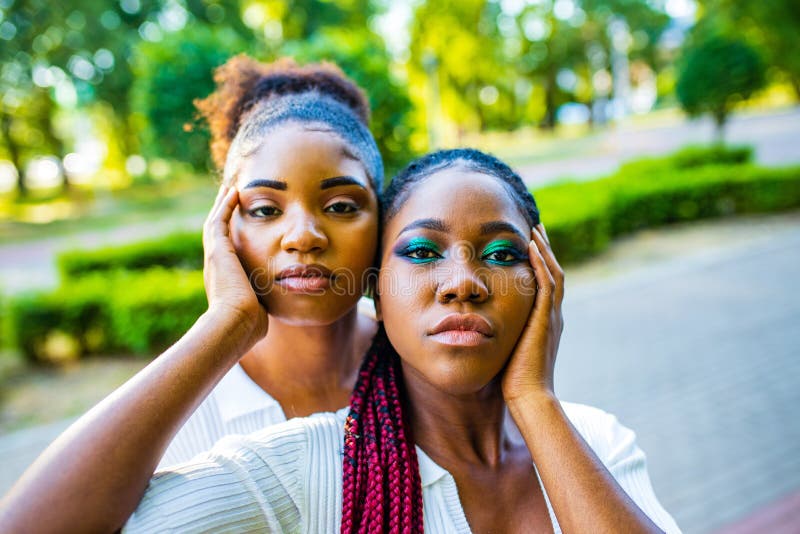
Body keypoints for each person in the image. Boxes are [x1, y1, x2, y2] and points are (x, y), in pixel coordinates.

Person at [122, 149, 680, 533]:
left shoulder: (596, 440)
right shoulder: (311, 464)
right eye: (421, 252)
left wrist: (535, 400)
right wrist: (226, 323)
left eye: (502, 254)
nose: (463, 281)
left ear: (544, 284)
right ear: (379, 297)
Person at [0, 54, 384, 532]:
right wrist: (227, 325)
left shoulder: (421, 359)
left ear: (384, 219)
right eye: (265, 209)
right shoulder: (176, 412)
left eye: (342, 204)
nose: (303, 236)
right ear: (222, 227)